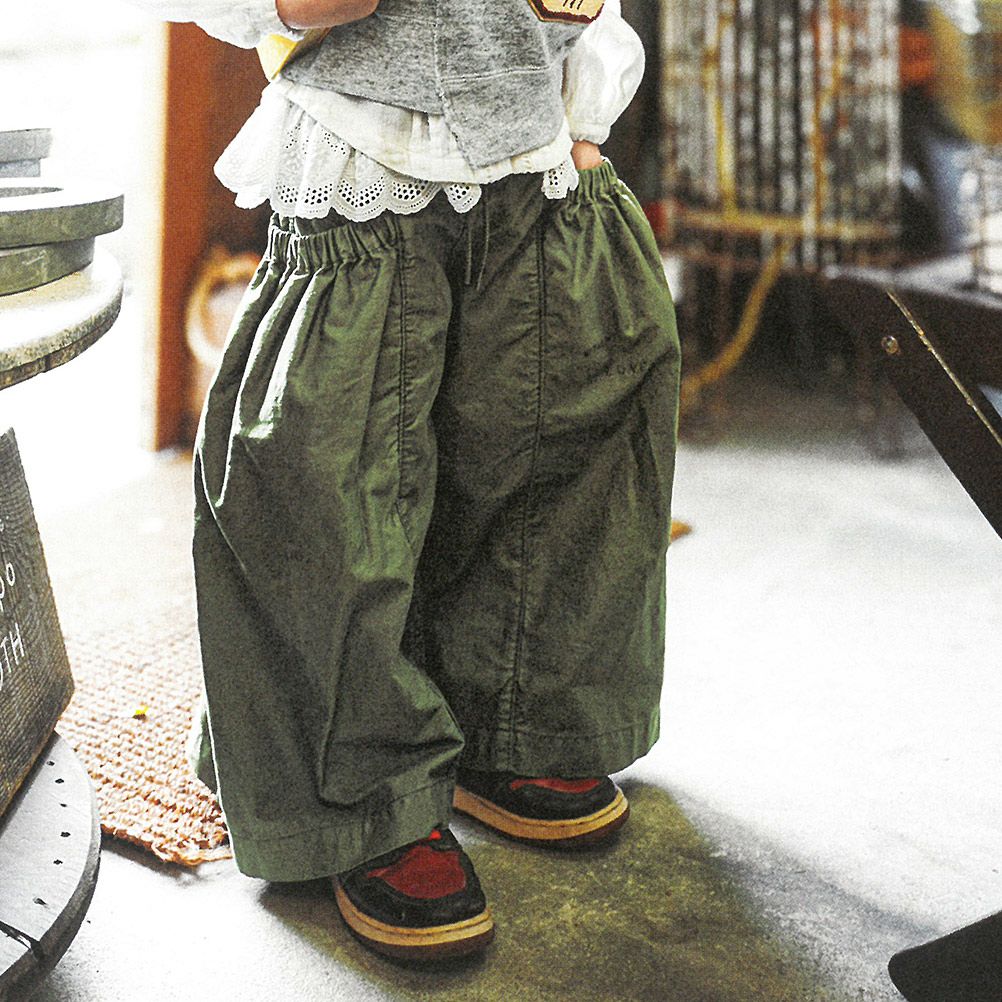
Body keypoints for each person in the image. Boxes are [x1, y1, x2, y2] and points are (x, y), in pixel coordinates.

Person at [126, 0, 680, 962]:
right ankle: (362, 793)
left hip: (534, 140)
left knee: (547, 439)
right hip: (363, 147)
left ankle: (508, 719)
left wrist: (588, 101)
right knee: (333, 481)